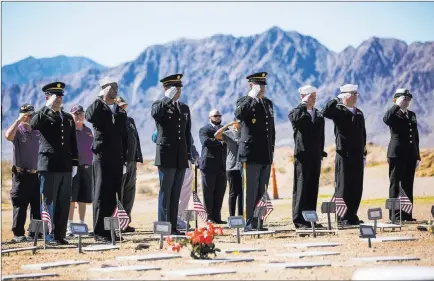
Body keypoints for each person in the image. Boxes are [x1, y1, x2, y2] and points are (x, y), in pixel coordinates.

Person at [30, 82, 79, 245]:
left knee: (63, 201)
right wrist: (46, 106)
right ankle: (49, 236)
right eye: (55, 96)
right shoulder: (42, 114)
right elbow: (33, 124)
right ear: (47, 97)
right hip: (48, 165)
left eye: (60, 96)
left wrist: (74, 163)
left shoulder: (68, 117)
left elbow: (73, 142)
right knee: (48, 201)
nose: (58, 99)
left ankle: (59, 235)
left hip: (65, 165)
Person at [85, 77, 128, 243]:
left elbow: (124, 137)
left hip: (117, 158)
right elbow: (89, 116)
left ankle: (111, 231)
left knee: (114, 196)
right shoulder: (98, 107)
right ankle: (99, 232)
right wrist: (99, 98)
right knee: (101, 195)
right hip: (102, 157)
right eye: (112, 87)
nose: (116, 89)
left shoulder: (119, 111)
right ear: (104, 89)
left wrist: (124, 159)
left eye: (117, 86)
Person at [151, 74, 192, 235]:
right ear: (166, 89)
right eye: (175, 88)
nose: (178, 91)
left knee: (176, 193)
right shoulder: (160, 105)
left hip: (180, 156)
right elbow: (156, 114)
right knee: (165, 192)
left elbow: (187, 133)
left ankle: (173, 227)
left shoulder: (184, 108)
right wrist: (166, 98)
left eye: (180, 88)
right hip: (166, 155)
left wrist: (189, 154)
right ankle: (163, 227)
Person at [234, 72, 275, 231]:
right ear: (251, 85)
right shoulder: (244, 101)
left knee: (261, 190)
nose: (263, 88)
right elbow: (239, 114)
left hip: (265, 153)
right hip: (250, 154)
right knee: (250, 190)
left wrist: (271, 149)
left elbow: (270, 129)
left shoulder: (268, 103)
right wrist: (251, 96)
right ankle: (248, 222)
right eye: (259, 85)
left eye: (264, 85)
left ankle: (259, 221)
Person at [322, 84, 366, 226]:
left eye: (356, 94)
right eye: (353, 94)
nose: (356, 96)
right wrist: (336, 98)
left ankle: (352, 216)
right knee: (344, 187)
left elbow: (363, 135)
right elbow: (325, 111)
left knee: (356, 186)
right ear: (345, 95)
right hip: (344, 155)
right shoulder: (338, 111)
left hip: (358, 155)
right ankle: (342, 218)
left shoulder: (359, 113)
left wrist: (364, 153)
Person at [288, 85, 327, 229]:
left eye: (315, 96)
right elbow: (294, 118)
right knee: (301, 186)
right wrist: (303, 105)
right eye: (311, 96)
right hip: (302, 155)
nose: (314, 99)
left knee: (312, 187)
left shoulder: (318, 114)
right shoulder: (297, 112)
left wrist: (321, 151)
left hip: (315, 155)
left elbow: (321, 135)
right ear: (303, 97)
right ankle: (299, 220)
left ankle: (310, 219)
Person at [5, 104, 41, 242]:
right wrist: (18, 120)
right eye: (27, 115)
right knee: (20, 205)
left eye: (32, 115)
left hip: (36, 174)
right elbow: (8, 136)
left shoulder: (37, 131)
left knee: (36, 205)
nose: (30, 117)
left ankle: (35, 233)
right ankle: (18, 234)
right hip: (21, 174)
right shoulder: (18, 131)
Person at [383, 88, 420, 222]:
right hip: (397, 155)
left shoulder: (411, 114)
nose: (407, 101)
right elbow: (386, 119)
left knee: (408, 184)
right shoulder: (393, 113)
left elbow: (415, 136)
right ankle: (395, 216)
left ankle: (406, 215)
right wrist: (396, 105)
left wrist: (417, 156)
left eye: (409, 99)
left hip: (410, 155)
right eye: (404, 99)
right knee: (395, 185)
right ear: (397, 99)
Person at [152, 130, 200, 229]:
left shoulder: (184, 126)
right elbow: (155, 137)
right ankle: (173, 219)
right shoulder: (163, 126)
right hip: (173, 161)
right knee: (173, 191)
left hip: (186, 161)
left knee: (185, 193)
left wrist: (195, 155)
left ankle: (180, 218)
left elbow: (190, 144)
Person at [115, 97, 143, 233]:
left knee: (129, 191)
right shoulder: (114, 120)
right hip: (121, 161)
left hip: (132, 160)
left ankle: (126, 221)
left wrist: (138, 157)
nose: (123, 108)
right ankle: (118, 222)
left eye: (123, 105)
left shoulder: (130, 120)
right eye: (120, 106)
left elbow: (135, 139)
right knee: (118, 191)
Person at [66, 105, 93, 237]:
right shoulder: (68, 130)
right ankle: (70, 225)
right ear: (71, 115)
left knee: (83, 198)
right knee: (72, 198)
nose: (79, 116)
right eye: (76, 114)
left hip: (87, 168)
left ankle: (81, 224)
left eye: (81, 113)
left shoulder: (88, 131)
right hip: (73, 168)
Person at [198, 109, 227, 224]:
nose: (218, 117)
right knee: (208, 192)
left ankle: (217, 217)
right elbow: (206, 142)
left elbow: (230, 140)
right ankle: (209, 217)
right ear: (210, 117)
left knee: (220, 192)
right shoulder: (204, 129)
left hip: (222, 166)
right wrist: (220, 142)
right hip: (208, 166)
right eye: (215, 116)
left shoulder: (225, 129)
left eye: (219, 115)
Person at [215, 118, 243, 217]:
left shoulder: (245, 133)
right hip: (232, 167)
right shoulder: (229, 133)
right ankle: (232, 216)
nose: (239, 124)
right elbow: (216, 135)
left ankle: (241, 215)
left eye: (240, 122)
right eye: (237, 122)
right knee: (233, 192)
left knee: (242, 193)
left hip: (243, 167)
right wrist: (227, 125)